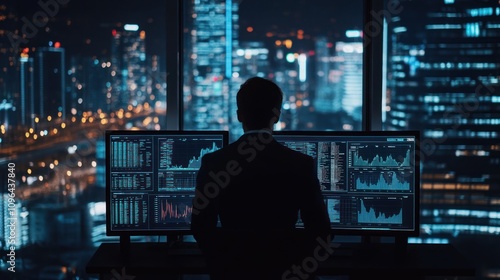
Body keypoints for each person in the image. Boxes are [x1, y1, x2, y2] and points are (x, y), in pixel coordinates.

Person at [191, 76, 332, 280]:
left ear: (239, 115)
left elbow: (200, 228)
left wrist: (223, 265)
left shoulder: (214, 162)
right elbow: (320, 232)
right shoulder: (300, 164)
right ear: (276, 116)